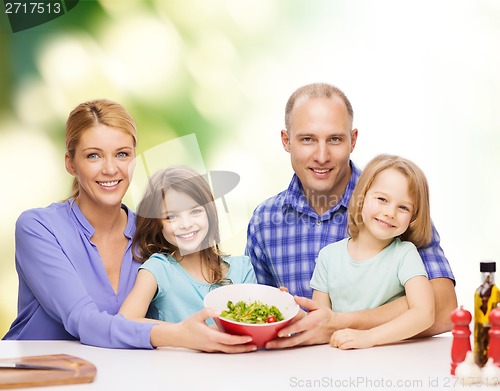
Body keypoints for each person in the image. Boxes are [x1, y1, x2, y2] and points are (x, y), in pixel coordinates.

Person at [3, 99, 256, 353]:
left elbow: (190, 288)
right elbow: (82, 321)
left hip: (117, 377)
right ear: (70, 163)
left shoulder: (153, 232)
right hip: (35, 374)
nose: (111, 169)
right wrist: (178, 334)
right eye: (93, 156)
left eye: (122, 154)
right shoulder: (38, 228)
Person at [245, 82, 457, 347]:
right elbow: (254, 316)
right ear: (286, 141)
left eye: (335, 139)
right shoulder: (264, 222)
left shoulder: (388, 206)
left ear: (353, 140)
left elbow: (445, 308)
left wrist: (342, 323)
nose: (322, 156)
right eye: (307, 139)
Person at [311, 154, 435, 349]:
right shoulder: (328, 257)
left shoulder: (404, 254)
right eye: (382, 199)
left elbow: (425, 313)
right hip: (339, 358)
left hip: (389, 360)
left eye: (403, 207)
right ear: (361, 198)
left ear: (413, 216)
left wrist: (368, 338)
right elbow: (320, 321)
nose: (390, 213)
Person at [119, 166, 256, 323]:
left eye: (195, 211)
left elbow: (254, 323)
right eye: (171, 216)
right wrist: (185, 334)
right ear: (158, 224)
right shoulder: (158, 270)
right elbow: (125, 322)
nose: (186, 224)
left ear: (209, 212)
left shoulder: (242, 269)